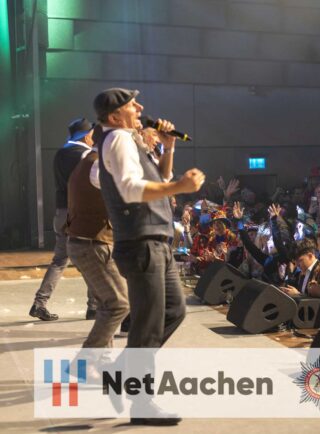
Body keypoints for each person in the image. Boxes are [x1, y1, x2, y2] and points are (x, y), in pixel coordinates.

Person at [94, 88, 204, 426]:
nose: (140, 107)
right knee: (148, 325)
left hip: (156, 241)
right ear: (115, 116)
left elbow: (160, 179)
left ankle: (119, 373)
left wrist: (168, 148)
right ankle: (141, 402)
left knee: (173, 311)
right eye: (132, 105)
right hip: (141, 242)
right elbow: (131, 189)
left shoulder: (129, 140)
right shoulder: (118, 139)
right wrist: (181, 188)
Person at [65, 126, 129, 348]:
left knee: (107, 304)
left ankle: (102, 359)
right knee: (119, 304)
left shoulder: (89, 161)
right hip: (92, 244)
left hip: (86, 241)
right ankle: (87, 359)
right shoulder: (98, 166)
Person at [29, 118, 97, 321]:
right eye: (92, 134)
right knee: (91, 260)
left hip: (61, 213)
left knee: (60, 260)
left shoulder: (60, 153)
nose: (94, 137)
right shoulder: (85, 155)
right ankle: (94, 307)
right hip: (78, 214)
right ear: (86, 135)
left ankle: (39, 303)